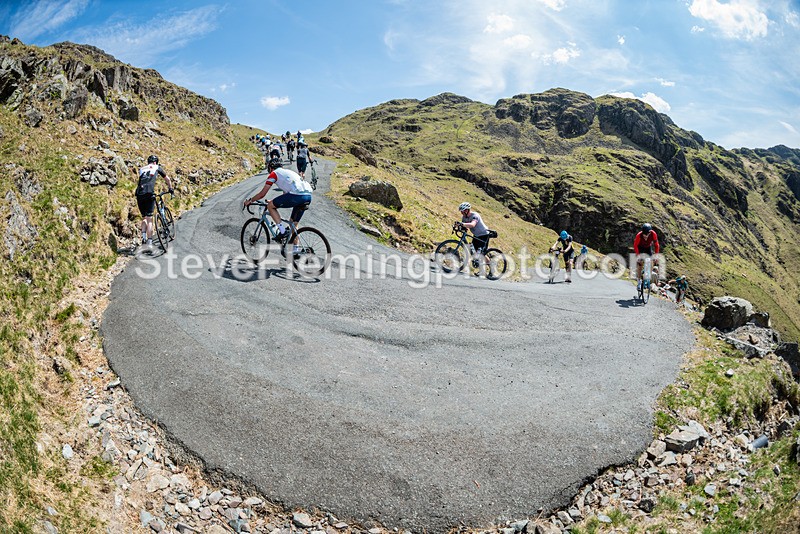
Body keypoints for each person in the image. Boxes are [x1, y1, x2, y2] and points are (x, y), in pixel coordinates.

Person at [243, 159, 312, 246]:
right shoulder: (288, 172)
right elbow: (285, 195)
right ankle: (296, 250)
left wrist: (250, 201)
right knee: (293, 224)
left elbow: (262, 194)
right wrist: (273, 201)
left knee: (270, 206)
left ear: (271, 168)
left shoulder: (274, 174)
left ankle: (282, 231)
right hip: (308, 196)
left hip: (296, 195)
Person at [135, 155, 173, 247]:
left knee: (144, 218)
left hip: (139, 194)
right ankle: (150, 242)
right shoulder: (157, 167)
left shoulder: (142, 169)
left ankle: (143, 237)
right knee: (150, 219)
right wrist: (170, 188)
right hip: (149, 194)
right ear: (155, 162)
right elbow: (167, 179)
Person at [457, 202, 493, 267]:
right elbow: (465, 227)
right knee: (474, 252)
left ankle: (491, 269)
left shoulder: (475, 216)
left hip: (484, 235)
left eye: (462, 211)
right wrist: (458, 227)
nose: (461, 213)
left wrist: (462, 224)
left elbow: (472, 225)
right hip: (476, 235)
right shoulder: (464, 218)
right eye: (461, 212)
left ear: (467, 210)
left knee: (481, 254)